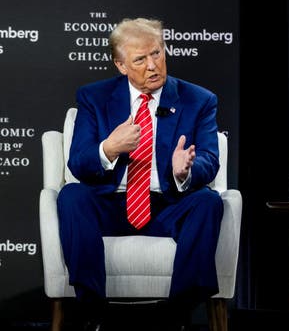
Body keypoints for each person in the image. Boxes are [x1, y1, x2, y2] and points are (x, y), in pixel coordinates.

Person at [57, 17, 223, 331]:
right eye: (140, 59)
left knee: (208, 202)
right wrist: (109, 148)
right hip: (111, 205)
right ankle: (93, 312)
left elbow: (210, 159)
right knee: (72, 194)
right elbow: (78, 163)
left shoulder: (199, 99)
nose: (152, 65)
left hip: (169, 204)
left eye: (157, 53)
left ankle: (179, 315)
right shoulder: (94, 97)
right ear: (121, 65)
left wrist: (184, 170)